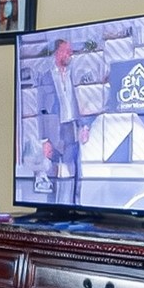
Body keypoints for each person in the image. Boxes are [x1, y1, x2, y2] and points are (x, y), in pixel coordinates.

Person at [30, 38, 87, 206]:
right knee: (53, 173)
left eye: (70, 51)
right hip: (54, 131)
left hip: (71, 128)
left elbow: (80, 103)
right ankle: (52, 209)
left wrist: (83, 126)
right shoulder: (46, 78)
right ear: (58, 53)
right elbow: (41, 110)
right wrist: (44, 141)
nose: (70, 54)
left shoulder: (72, 75)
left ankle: (76, 207)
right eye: (67, 51)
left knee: (75, 172)